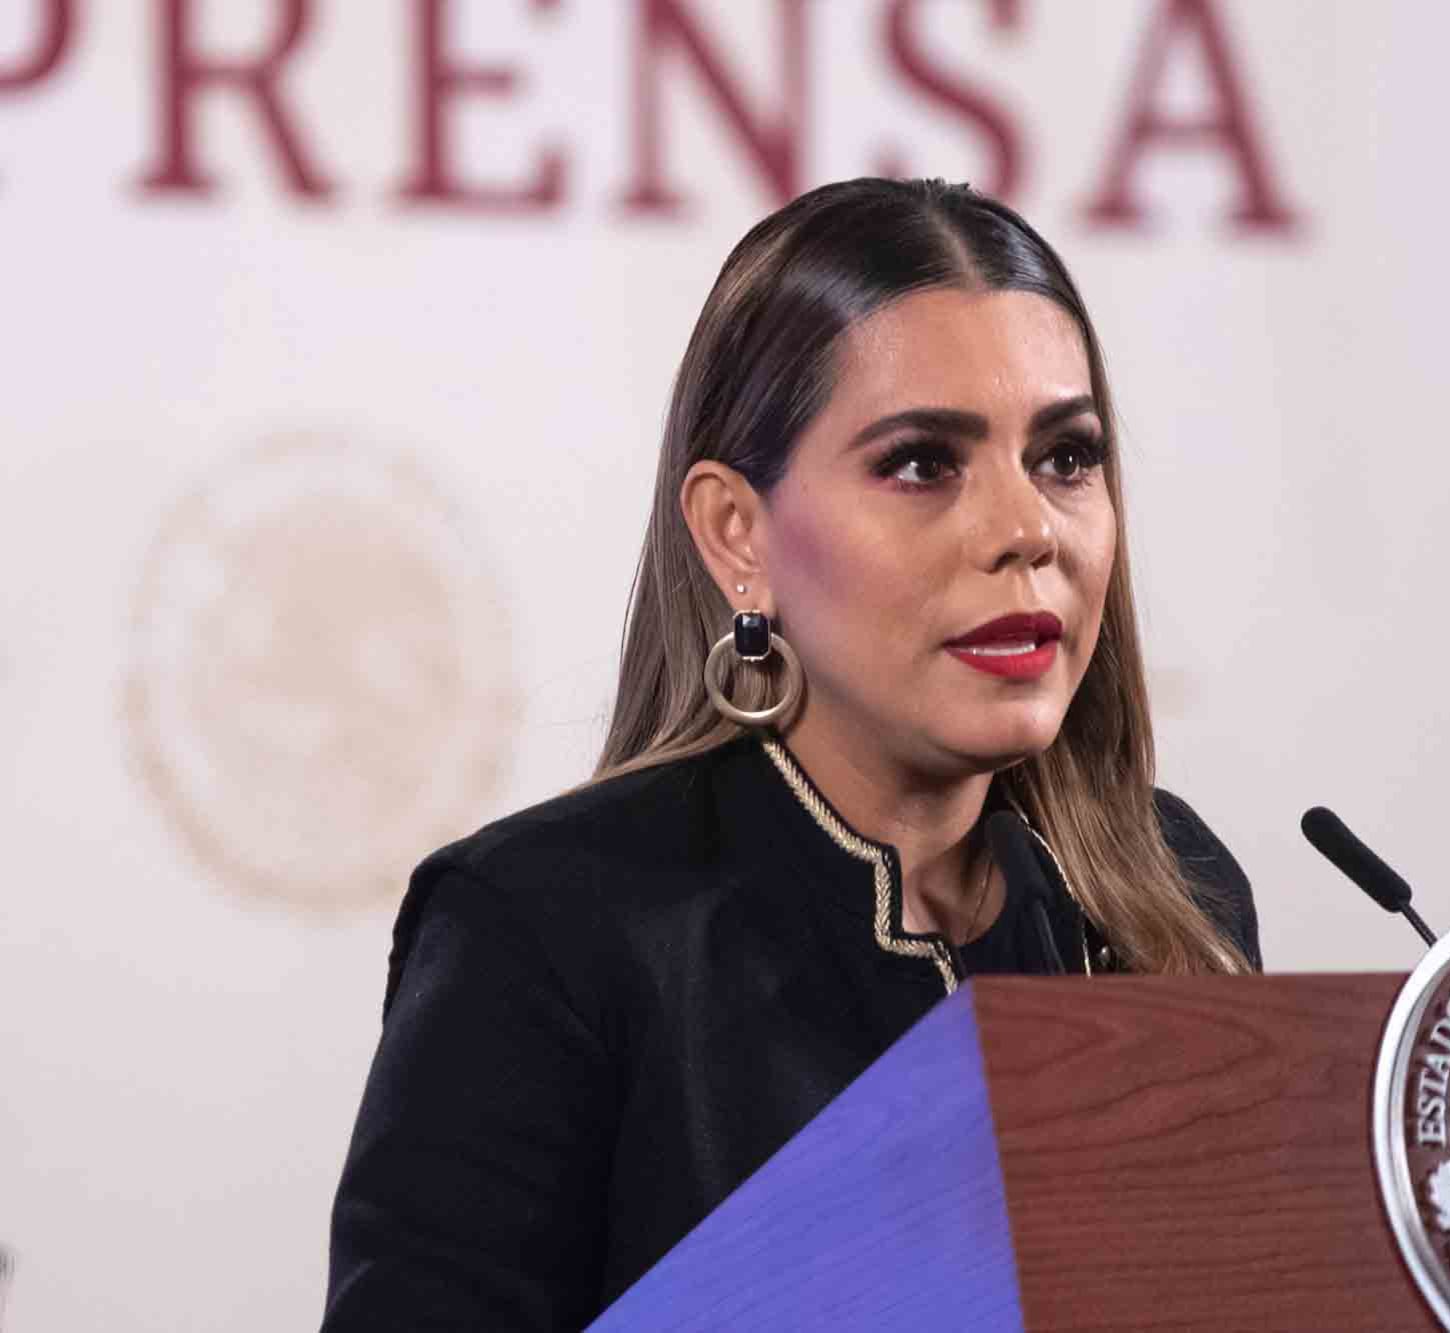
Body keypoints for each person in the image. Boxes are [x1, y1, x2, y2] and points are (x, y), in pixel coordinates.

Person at [321, 177, 1261, 1330]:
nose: (1027, 529)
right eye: (922, 463)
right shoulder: (545, 928)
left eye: (1065, 457)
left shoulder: (1174, 888)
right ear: (738, 535)